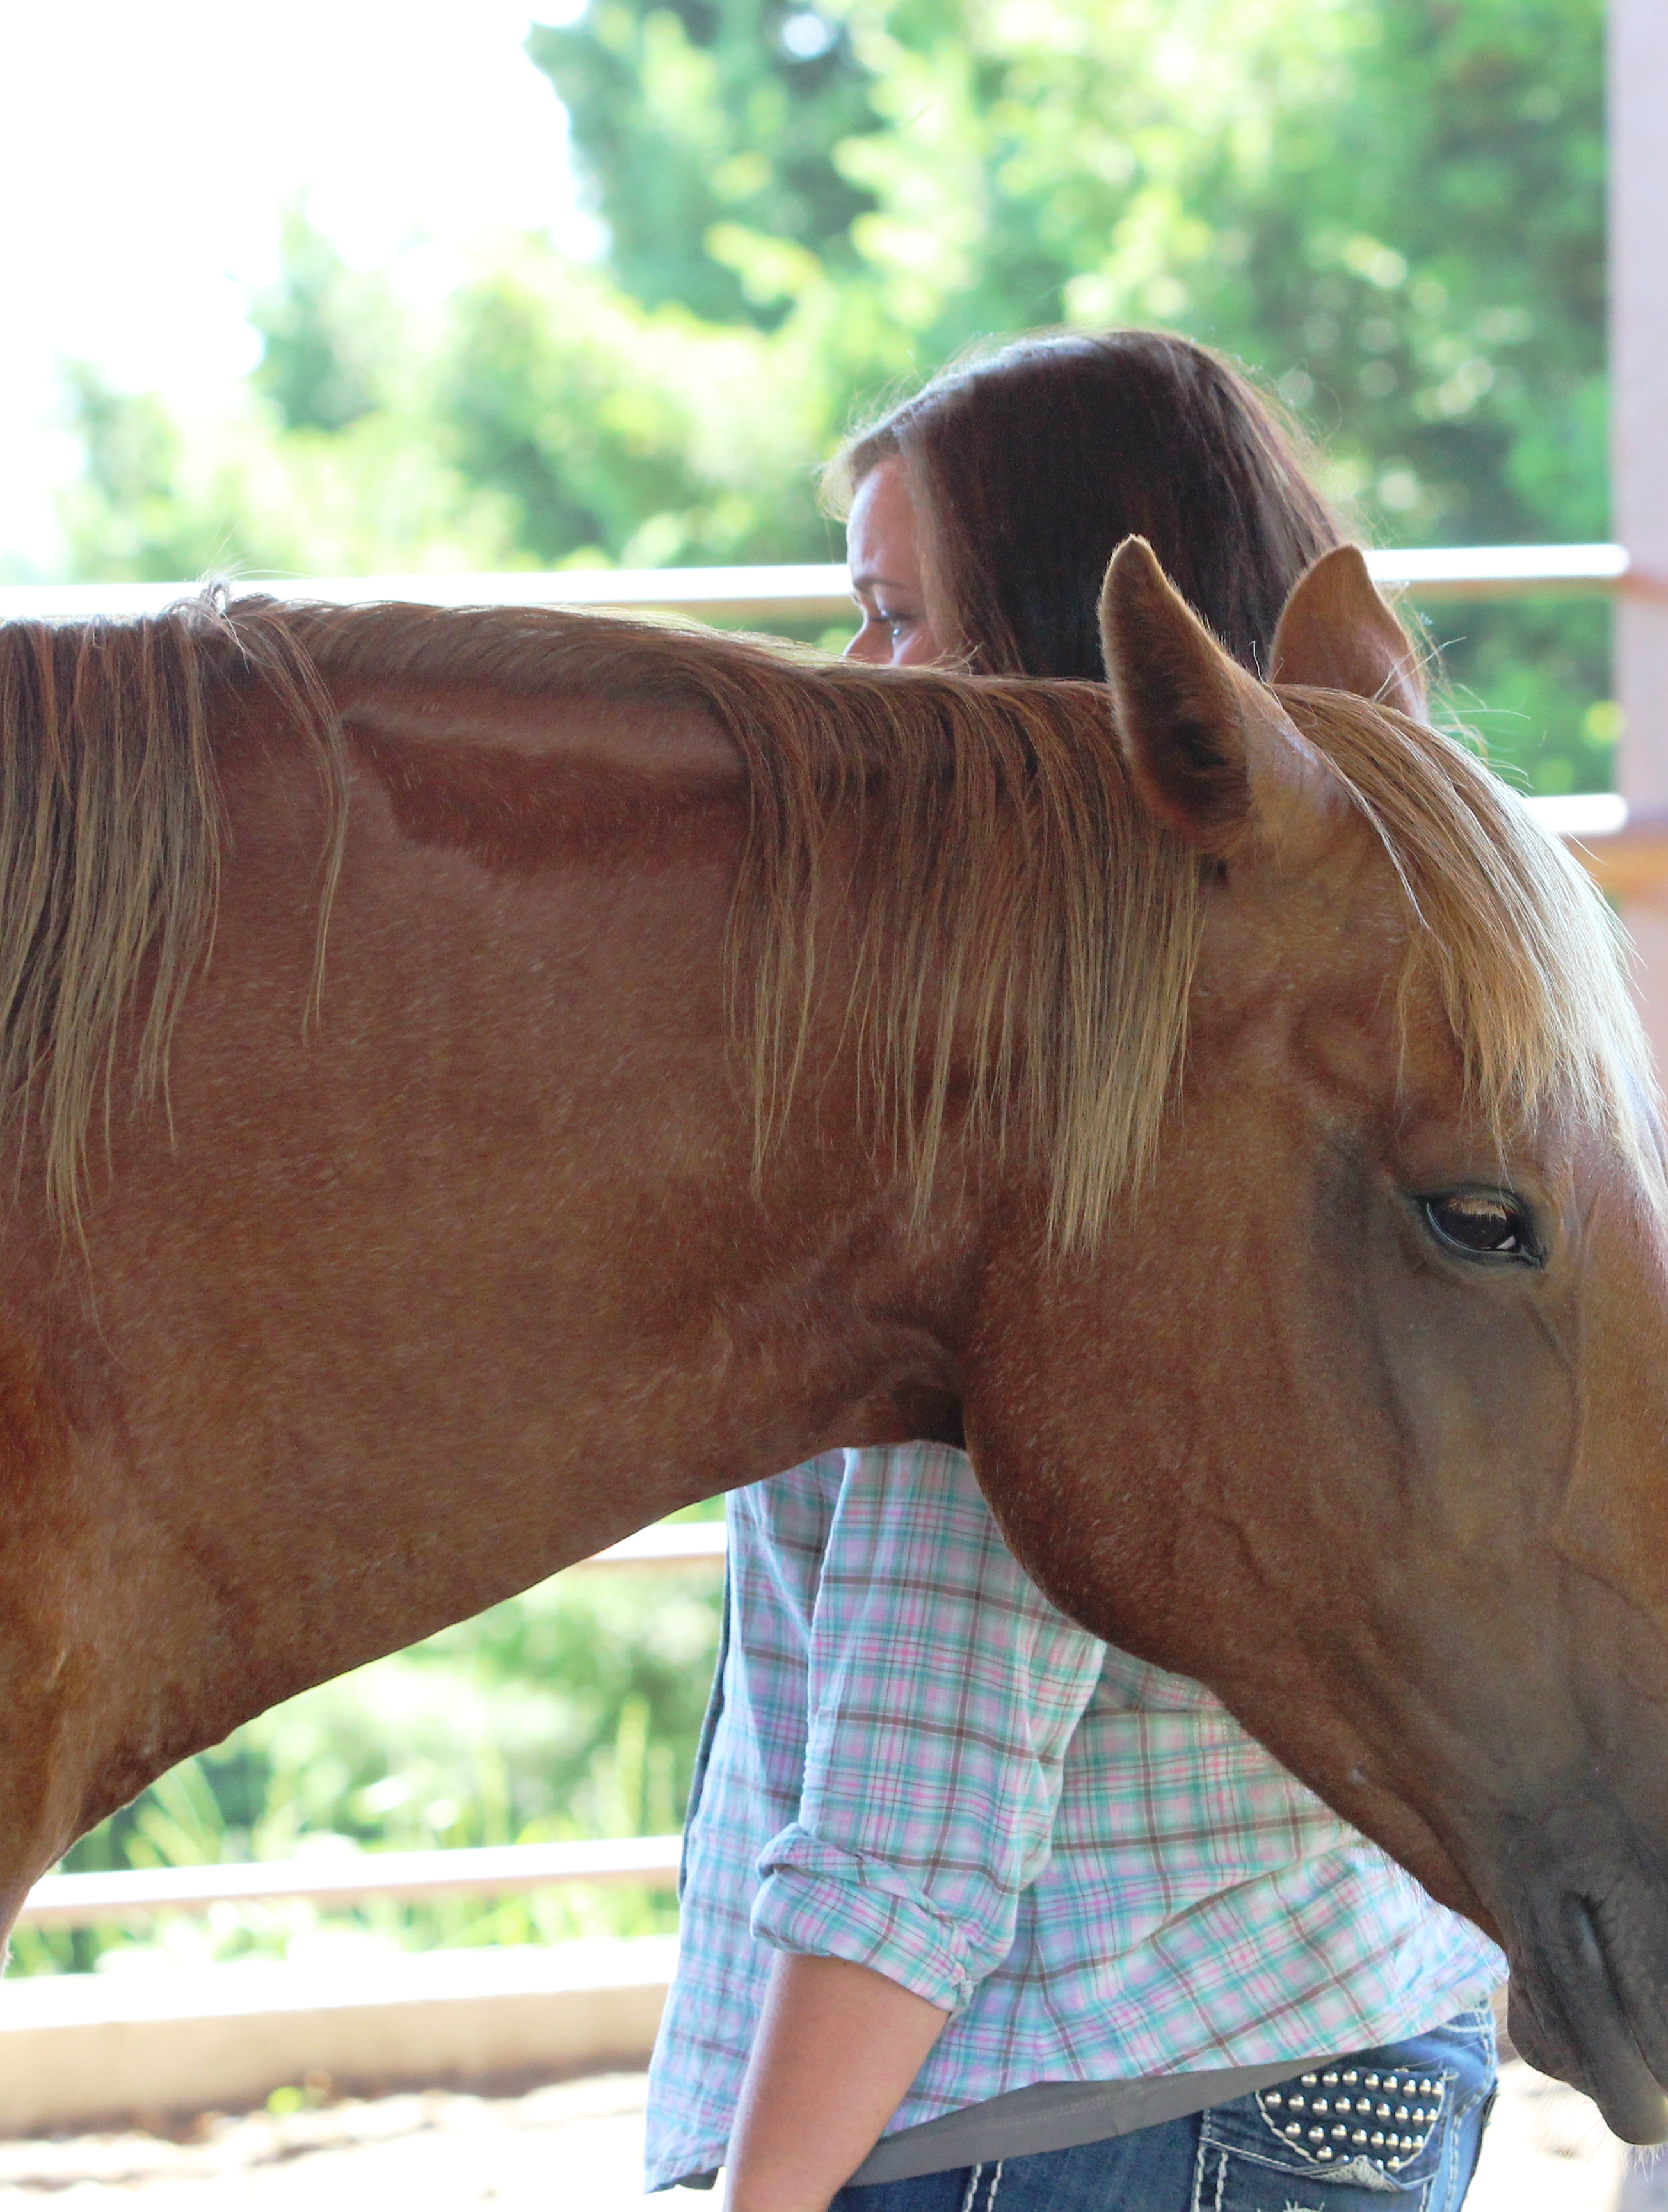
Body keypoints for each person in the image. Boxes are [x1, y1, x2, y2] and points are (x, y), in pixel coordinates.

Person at [639, 329, 1504, 2212]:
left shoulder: (1063, 1085)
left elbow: (923, 1806)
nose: (845, 686)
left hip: (1068, 2115)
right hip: (1341, 2006)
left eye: (896, 622)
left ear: (1061, 660)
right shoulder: (1336, 1008)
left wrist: (755, 2197)